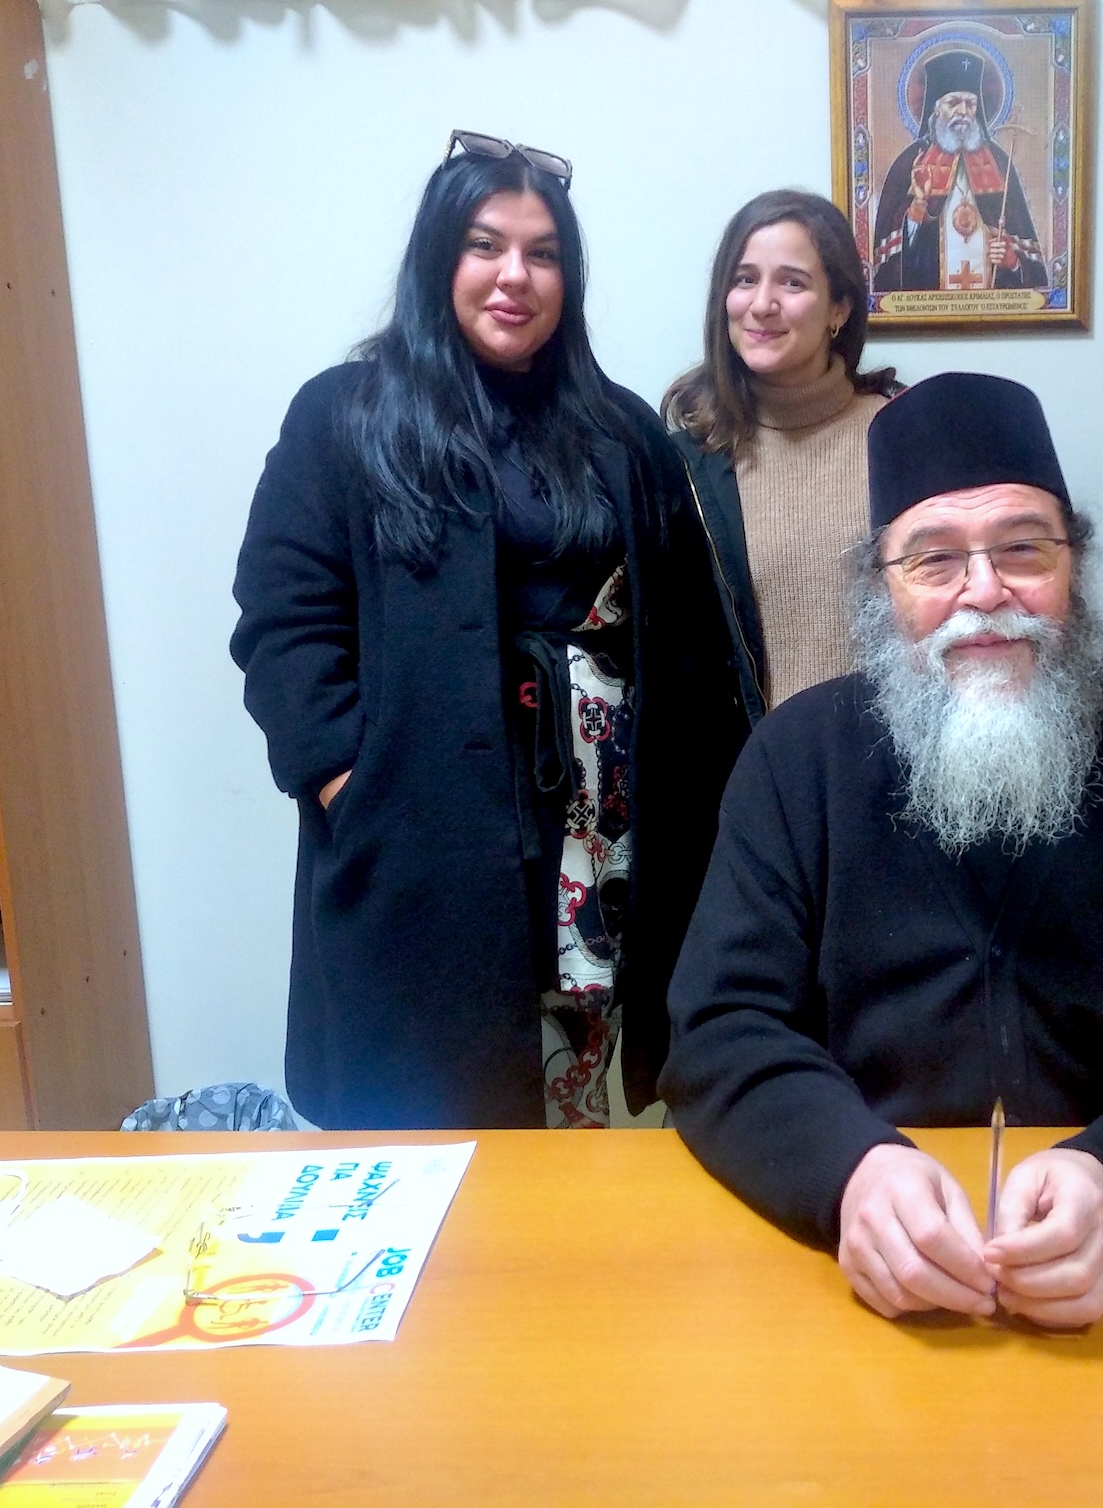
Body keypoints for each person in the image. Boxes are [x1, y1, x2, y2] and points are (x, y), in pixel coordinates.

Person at [660, 372, 1103, 1329]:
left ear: (1075, 564)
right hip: (857, 1276)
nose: (985, 593)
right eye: (933, 560)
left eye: (1023, 548)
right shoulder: (796, 759)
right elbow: (720, 1028)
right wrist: (850, 1171)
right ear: (881, 587)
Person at [231, 131, 745, 1131]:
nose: (516, 275)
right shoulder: (344, 417)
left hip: (604, 835)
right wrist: (348, 781)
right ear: (439, 258)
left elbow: (689, 636)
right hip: (419, 832)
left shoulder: (624, 431)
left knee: (587, 1107)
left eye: (543, 253)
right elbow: (283, 618)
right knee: (431, 1120)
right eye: (485, 245)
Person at [664, 191, 900, 719]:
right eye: (745, 279)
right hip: (748, 762)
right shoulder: (685, 464)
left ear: (839, 308)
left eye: (792, 283)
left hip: (883, 755)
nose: (762, 304)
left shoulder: (902, 435)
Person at [870, 50, 1048, 294]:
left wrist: (1013, 262)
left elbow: (1031, 268)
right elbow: (892, 264)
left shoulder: (998, 162)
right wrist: (918, 207)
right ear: (935, 109)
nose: (963, 111)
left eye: (970, 103)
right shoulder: (911, 162)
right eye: (953, 103)